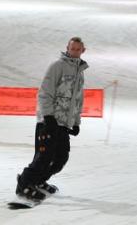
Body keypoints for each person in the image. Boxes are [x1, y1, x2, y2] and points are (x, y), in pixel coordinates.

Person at [16, 37, 89, 203]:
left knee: (61, 158)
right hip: (49, 121)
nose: (75, 51)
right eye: (73, 48)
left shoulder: (80, 72)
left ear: (83, 51)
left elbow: (77, 100)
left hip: (63, 123)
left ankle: (39, 180)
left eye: (78, 49)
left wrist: (76, 122)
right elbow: (44, 92)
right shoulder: (58, 66)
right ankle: (24, 184)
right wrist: (48, 116)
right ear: (67, 48)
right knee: (44, 157)